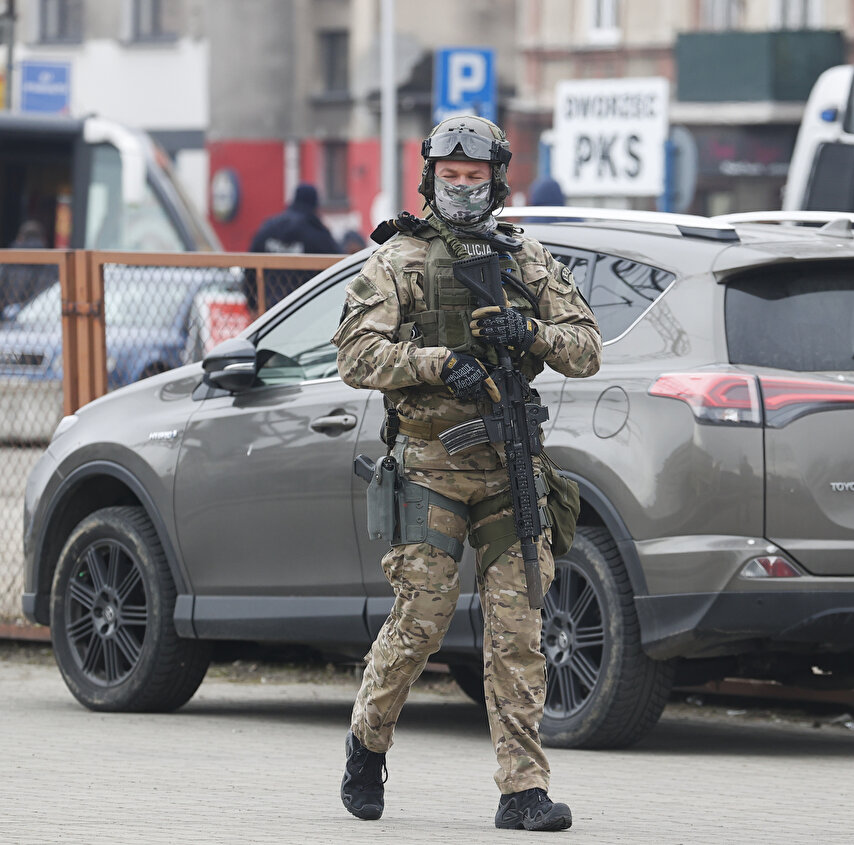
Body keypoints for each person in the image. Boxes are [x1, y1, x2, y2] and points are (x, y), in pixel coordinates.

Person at [331, 116, 601, 831]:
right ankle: (367, 741)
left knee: (518, 626)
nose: (459, 190)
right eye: (448, 179)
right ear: (430, 179)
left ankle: (522, 790)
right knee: (421, 615)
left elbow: (586, 348)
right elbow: (355, 356)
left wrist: (530, 333)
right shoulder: (400, 261)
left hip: (508, 463)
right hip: (429, 463)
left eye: (472, 179)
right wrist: (433, 362)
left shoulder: (525, 258)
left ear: (494, 181)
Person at [246, 183, 339, 312]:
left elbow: (249, 268)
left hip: (269, 313)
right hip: (305, 311)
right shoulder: (317, 233)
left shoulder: (269, 228)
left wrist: (252, 305)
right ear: (315, 205)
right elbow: (339, 267)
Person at [0, 220, 57, 325]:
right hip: (40, 326)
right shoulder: (52, 265)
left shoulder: (7, 262)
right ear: (43, 239)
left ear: (20, 238)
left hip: (4, 327)